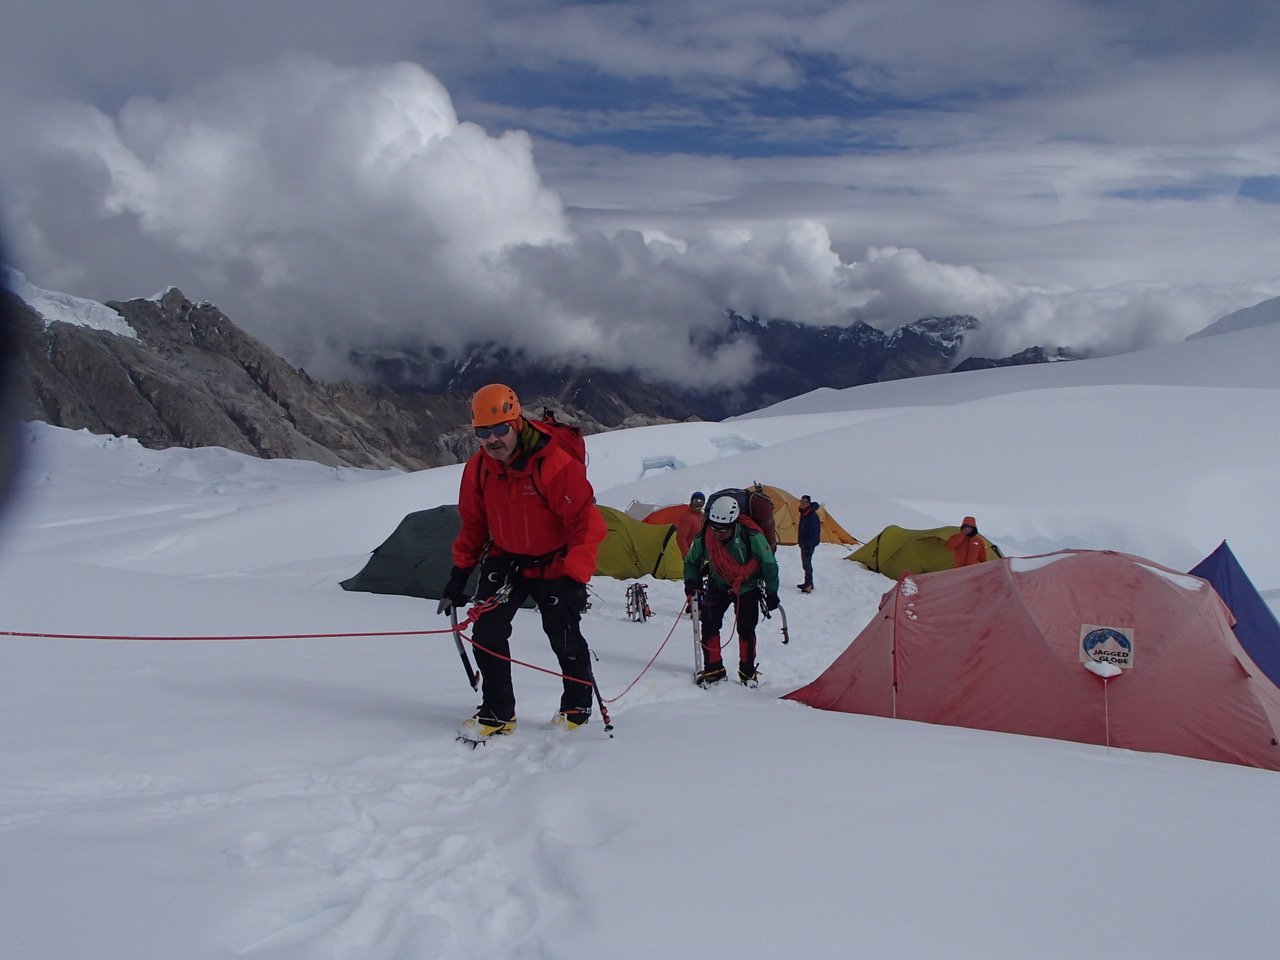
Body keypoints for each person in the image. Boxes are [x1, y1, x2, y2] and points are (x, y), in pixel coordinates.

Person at [440, 383, 607, 740]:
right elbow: (474, 524)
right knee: (486, 632)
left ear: (516, 424)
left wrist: (575, 576)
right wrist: (460, 573)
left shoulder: (554, 464)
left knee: (562, 633)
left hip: (554, 562)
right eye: (482, 432)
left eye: (499, 430)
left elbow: (586, 522)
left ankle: (577, 707)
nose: (492, 440)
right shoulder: (479, 469)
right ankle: (498, 712)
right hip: (507, 558)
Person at [683, 493, 780, 686]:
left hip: (747, 587)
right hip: (717, 584)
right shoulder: (706, 536)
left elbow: (769, 563)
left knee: (746, 629)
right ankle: (714, 670)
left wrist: (772, 592)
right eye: (715, 528)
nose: (718, 533)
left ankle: (747, 672)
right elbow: (692, 561)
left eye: (723, 530)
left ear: (734, 523)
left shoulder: (751, 535)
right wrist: (691, 581)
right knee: (709, 625)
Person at [796, 494, 822, 593]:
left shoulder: (811, 515)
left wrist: (808, 544)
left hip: (808, 544)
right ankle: (808, 582)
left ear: (808, 503)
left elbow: (815, 532)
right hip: (804, 543)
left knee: (807, 564)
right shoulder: (805, 514)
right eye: (801, 501)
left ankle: (809, 585)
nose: (801, 503)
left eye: (804, 502)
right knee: (805, 564)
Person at [674, 490, 705, 556]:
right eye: (695, 501)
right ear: (691, 501)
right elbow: (681, 538)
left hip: (700, 553)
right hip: (691, 555)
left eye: (701, 501)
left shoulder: (702, 516)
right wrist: (688, 556)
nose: (698, 503)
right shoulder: (686, 517)